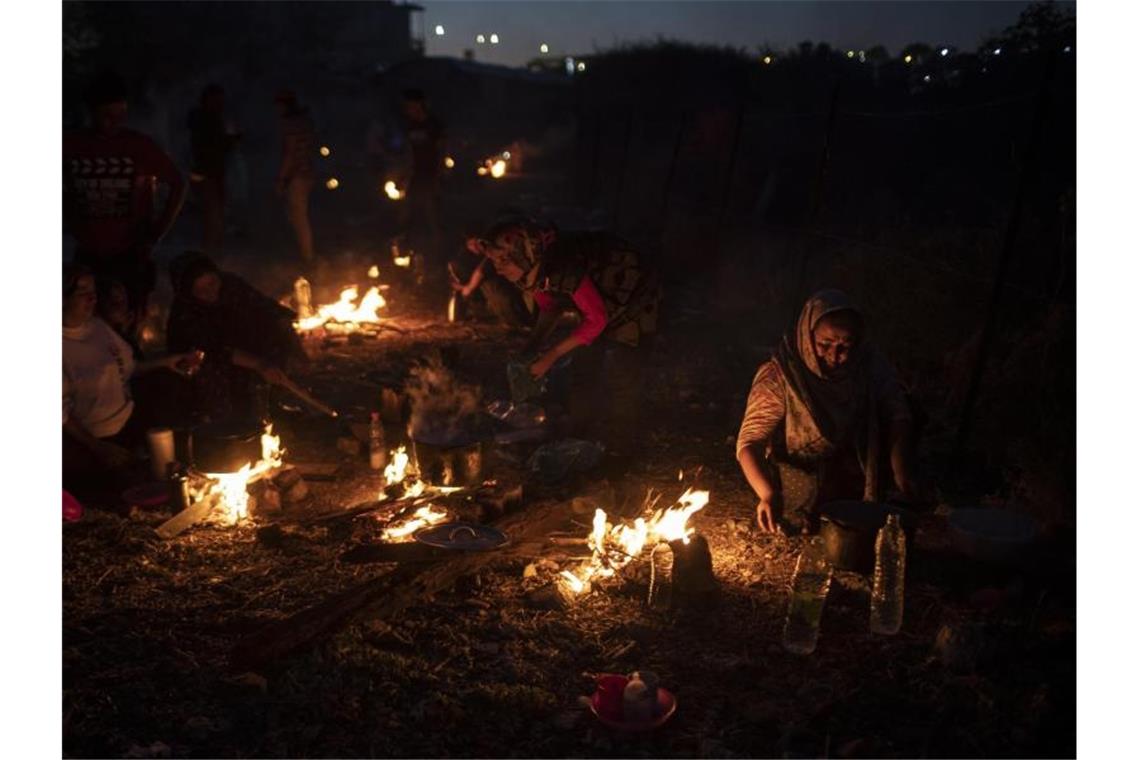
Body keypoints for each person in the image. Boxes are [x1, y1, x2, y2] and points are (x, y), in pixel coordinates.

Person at [736, 289, 921, 535]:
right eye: (825, 345)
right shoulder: (781, 376)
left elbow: (897, 412)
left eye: (845, 346)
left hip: (854, 462)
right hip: (800, 470)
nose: (835, 356)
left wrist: (900, 470)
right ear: (807, 335)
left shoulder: (867, 364)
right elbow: (750, 441)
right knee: (804, 506)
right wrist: (767, 494)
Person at [479, 218, 662, 450]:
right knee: (583, 369)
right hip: (598, 305)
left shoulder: (562, 264)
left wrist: (550, 357)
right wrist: (532, 347)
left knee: (625, 373)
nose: (498, 268)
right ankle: (578, 436)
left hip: (633, 293)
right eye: (494, 261)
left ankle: (622, 445)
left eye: (504, 259)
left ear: (523, 252)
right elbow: (550, 307)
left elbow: (597, 320)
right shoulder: (531, 270)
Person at [64, 71, 187, 341]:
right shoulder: (71, 145)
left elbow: (178, 183)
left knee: (128, 322)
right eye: (107, 115)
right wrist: (69, 220)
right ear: (92, 111)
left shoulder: (138, 146)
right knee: (84, 323)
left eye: (120, 115)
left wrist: (156, 233)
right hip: (88, 252)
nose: (113, 122)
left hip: (130, 253)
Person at [63, 264, 200, 491]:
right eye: (82, 292)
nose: (92, 298)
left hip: (129, 420)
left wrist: (168, 362)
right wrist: (97, 447)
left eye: (93, 291)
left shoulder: (97, 327)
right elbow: (60, 413)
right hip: (96, 438)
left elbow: (128, 368)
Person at [165, 251, 308, 422]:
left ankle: (272, 402)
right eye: (200, 290)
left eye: (212, 283)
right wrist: (261, 365)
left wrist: (296, 349)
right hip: (206, 361)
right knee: (208, 371)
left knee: (274, 332)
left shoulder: (230, 285)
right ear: (189, 293)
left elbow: (270, 311)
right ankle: (225, 421)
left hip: (239, 348)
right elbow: (215, 350)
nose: (211, 292)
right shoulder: (185, 313)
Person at [187, 84, 241, 253]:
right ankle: (210, 253)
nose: (221, 103)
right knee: (213, 216)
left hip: (214, 172)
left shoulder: (211, 118)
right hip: (207, 173)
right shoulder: (205, 119)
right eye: (217, 99)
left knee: (215, 215)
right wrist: (230, 140)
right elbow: (211, 146)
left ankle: (214, 251)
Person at [397, 89, 446, 273]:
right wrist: (405, 175)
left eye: (410, 105)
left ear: (419, 104)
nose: (407, 109)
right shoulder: (410, 126)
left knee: (432, 214)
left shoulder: (433, 125)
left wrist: (440, 175)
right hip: (415, 175)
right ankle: (407, 252)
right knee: (408, 211)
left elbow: (442, 150)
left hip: (431, 175)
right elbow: (409, 152)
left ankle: (438, 257)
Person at [448, 232, 532, 328]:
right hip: (511, 281)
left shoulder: (493, 247)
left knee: (492, 287)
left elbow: (482, 270)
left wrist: (469, 288)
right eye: (470, 245)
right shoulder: (467, 259)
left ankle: (520, 322)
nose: (474, 247)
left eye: (476, 243)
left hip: (518, 282)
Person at [274, 90, 317, 262]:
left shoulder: (290, 124)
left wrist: (281, 179)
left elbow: (289, 153)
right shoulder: (306, 122)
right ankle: (303, 253)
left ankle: (307, 256)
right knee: (296, 216)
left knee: (299, 217)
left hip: (297, 176)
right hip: (307, 172)